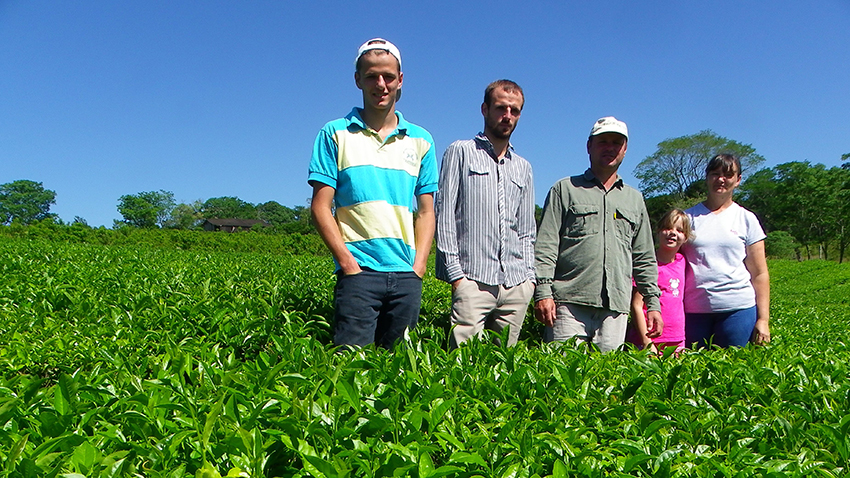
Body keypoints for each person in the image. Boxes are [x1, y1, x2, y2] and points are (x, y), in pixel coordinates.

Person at [308, 38, 438, 349]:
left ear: (400, 80)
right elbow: (320, 207)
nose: (380, 84)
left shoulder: (421, 140)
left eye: (388, 77)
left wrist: (418, 267)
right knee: (352, 370)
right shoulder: (334, 133)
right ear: (358, 80)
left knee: (399, 375)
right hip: (359, 275)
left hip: (406, 275)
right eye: (371, 76)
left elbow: (426, 211)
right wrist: (349, 265)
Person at [534, 116, 662, 352]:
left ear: (625, 149)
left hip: (615, 309)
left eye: (617, 142)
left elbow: (644, 257)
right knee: (562, 379)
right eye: (603, 142)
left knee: (607, 381)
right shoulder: (565, 189)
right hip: (567, 305)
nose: (610, 148)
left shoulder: (634, 199)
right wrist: (543, 292)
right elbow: (546, 246)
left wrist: (652, 303)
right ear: (589, 147)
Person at [436, 80, 535, 348]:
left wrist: (530, 280)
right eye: (501, 108)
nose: (507, 116)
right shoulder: (460, 151)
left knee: (503, 369)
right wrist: (456, 276)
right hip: (472, 279)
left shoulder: (523, 167)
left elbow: (527, 230)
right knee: (463, 365)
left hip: (515, 282)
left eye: (514, 111)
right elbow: (444, 215)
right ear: (484, 109)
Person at [681, 154, 770, 348]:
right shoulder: (687, 218)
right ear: (706, 177)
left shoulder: (746, 219)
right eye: (715, 174)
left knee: (734, 369)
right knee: (692, 371)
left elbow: (760, 273)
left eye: (728, 175)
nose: (721, 179)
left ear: (738, 180)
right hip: (694, 310)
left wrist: (763, 320)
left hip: (738, 308)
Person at [627, 208, 691, 355]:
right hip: (649, 338)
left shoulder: (682, 261)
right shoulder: (647, 266)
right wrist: (647, 343)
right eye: (667, 228)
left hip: (677, 338)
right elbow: (637, 305)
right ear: (658, 231)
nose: (672, 233)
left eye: (679, 230)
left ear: (686, 237)